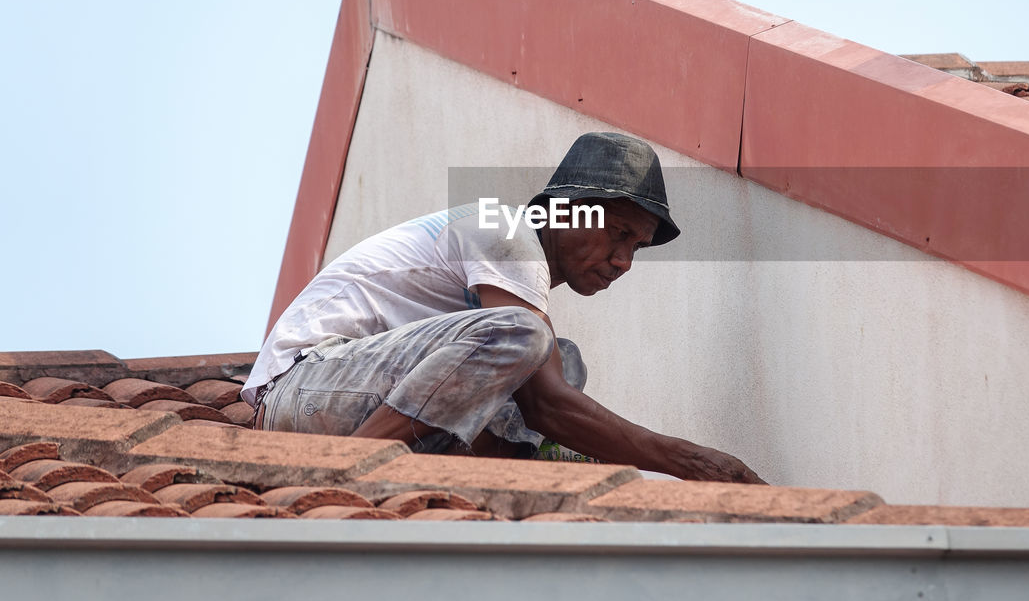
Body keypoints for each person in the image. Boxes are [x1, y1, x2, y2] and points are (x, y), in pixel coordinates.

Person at [242, 132, 764, 484]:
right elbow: (549, 406)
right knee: (529, 343)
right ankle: (355, 470)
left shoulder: (518, 263)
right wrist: (691, 462)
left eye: (637, 247)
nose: (624, 261)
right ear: (567, 211)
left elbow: (547, 395)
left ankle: (471, 484)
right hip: (300, 390)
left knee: (562, 357)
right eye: (619, 234)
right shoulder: (507, 232)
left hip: (352, 397)